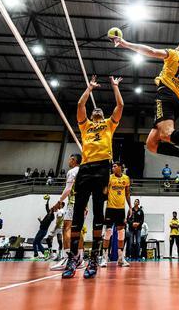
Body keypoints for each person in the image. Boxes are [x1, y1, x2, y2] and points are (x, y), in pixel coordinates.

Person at [111, 36, 179, 175]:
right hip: (176, 100)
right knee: (152, 144)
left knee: (167, 134)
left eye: (178, 45)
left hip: (165, 96)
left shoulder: (174, 54)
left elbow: (151, 51)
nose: (176, 47)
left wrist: (125, 43)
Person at [61, 75, 124, 279]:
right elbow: (80, 104)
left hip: (102, 168)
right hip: (86, 168)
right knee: (78, 213)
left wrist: (114, 86)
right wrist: (89, 88)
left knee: (98, 212)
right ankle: (73, 257)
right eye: (94, 110)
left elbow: (120, 105)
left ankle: (94, 258)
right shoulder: (85, 125)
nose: (97, 111)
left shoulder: (108, 124)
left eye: (100, 110)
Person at [51, 154, 81, 270]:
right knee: (78, 230)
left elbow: (68, 189)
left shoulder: (72, 171)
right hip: (82, 203)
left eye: (70, 159)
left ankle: (67, 257)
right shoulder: (83, 171)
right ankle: (80, 258)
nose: (69, 161)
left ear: (74, 160)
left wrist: (59, 201)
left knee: (66, 228)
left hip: (72, 202)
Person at [101, 162, 131, 267]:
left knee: (121, 234)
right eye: (112, 166)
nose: (113, 168)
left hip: (121, 210)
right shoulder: (109, 178)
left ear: (120, 168)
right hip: (110, 208)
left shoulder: (126, 178)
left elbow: (127, 193)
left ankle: (121, 259)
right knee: (108, 233)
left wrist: (130, 207)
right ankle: (104, 258)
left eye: (115, 166)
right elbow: (104, 192)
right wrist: (104, 185)